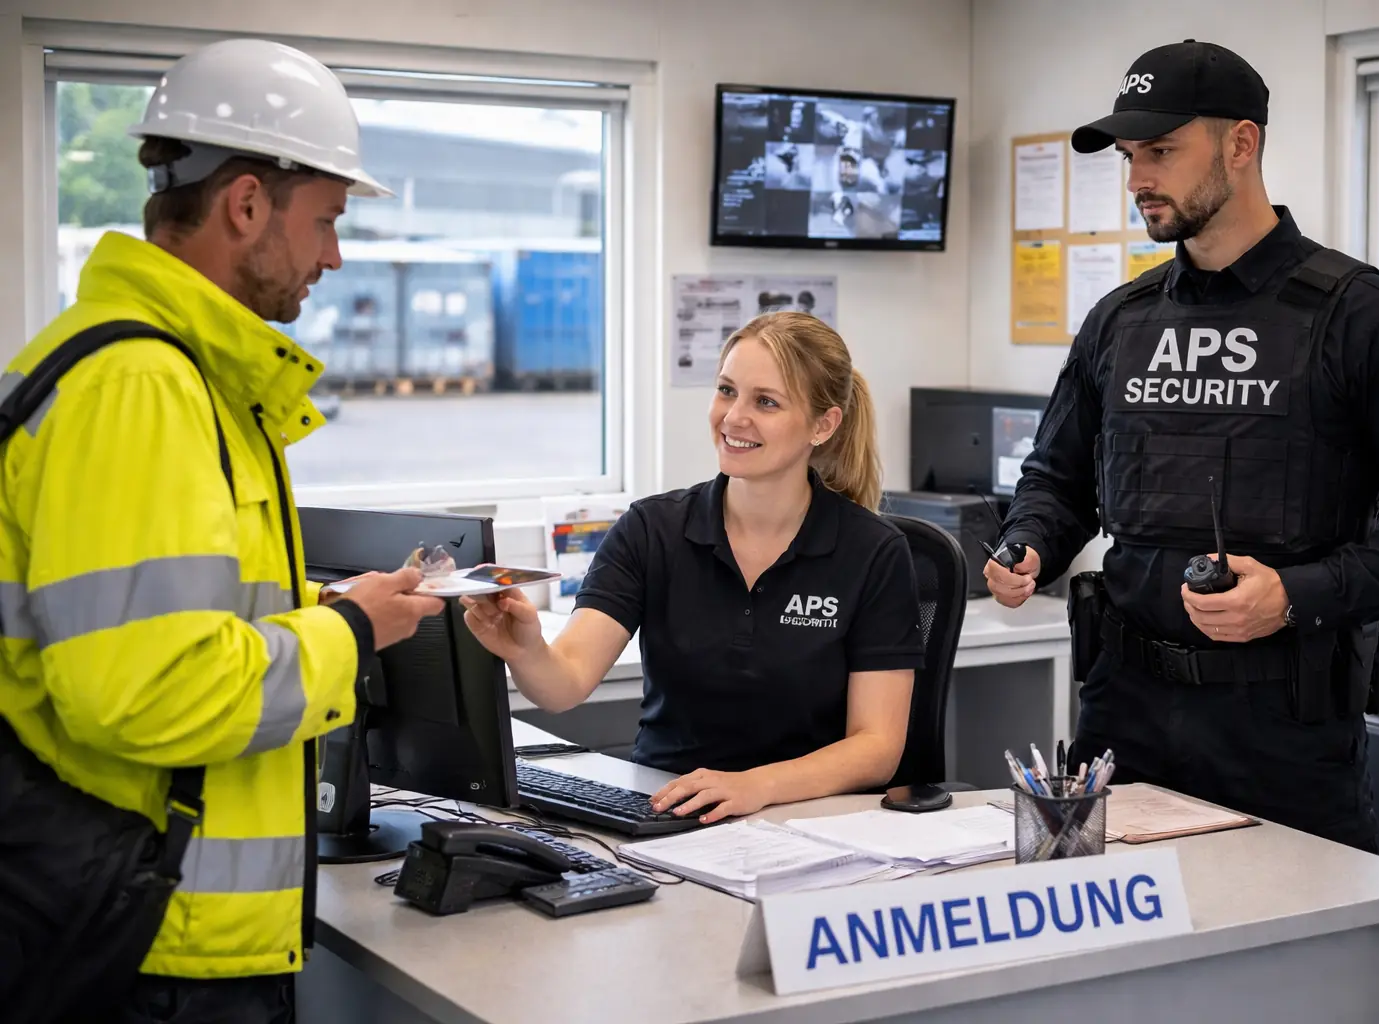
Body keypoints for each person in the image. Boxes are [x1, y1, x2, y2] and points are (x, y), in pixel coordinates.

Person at [0, 38, 444, 1022]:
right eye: (326, 220)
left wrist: (330, 611)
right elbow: (149, 688)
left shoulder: (164, 375)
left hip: (152, 929)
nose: (334, 255)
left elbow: (161, 629)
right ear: (246, 204)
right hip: (155, 948)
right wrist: (349, 632)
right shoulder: (140, 387)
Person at [984, 39, 1379, 851]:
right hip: (1120, 726)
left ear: (1241, 143)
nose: (1138, 179)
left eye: (1160, 151)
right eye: (1129, 157)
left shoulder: (1368, 320)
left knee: (1291, 971)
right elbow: (1057, 476)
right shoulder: (1120, 323)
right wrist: (1027, 543)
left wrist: (1298, 593)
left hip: (1282, 738)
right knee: (1100, 971)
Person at [463, 312, 925, 822]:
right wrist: (526, 650)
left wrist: (758, 786)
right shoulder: (652, 529)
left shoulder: (873, 550)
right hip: (666, 810)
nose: (733, 418)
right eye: (727, 390)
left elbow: (877, 746)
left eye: (765, 402)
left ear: (824, 424)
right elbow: (564, 683)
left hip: (807, 818)